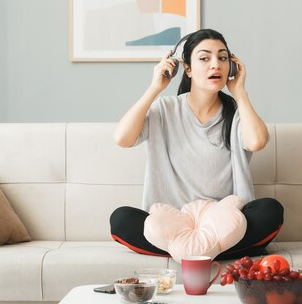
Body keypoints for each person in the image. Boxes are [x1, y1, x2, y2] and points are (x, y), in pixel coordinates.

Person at [110, 29, 284, 259]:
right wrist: (155, 88)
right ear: (188, 69)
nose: (216, 65)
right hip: (173, 223)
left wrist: (240, 93)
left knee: (270, 211)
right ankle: (213, 251)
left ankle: (186, 252)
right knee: (121, 219)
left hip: (224, 222)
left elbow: (257, 141)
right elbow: (122, 138)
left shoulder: (237, 111)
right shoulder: (165, 109)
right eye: (204, 58)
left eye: (222, 58)